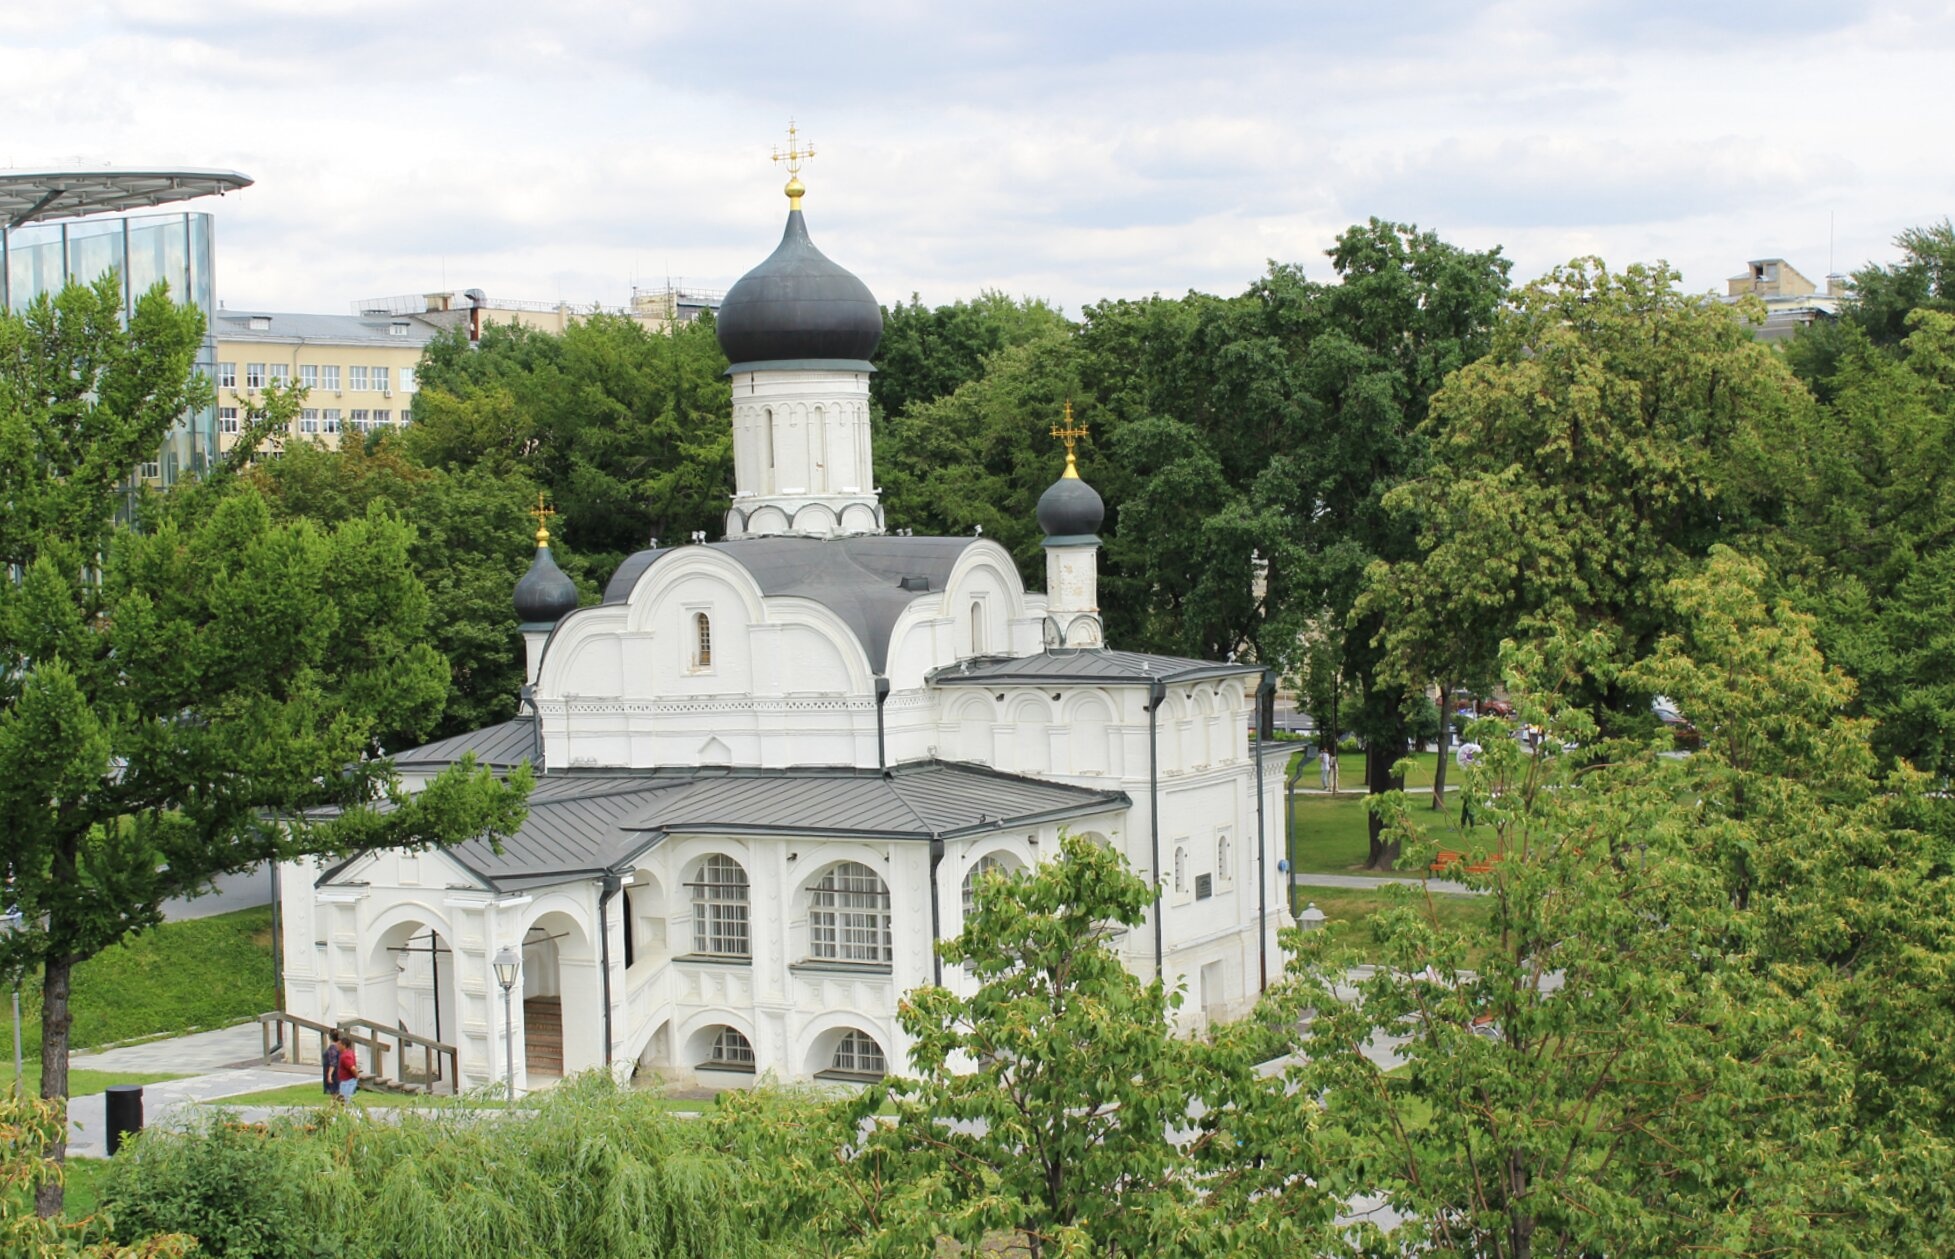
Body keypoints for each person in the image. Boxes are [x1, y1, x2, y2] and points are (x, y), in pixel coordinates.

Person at [336, 1035, 360, 1103]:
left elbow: (352, 1068)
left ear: (344, 1045)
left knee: (345, 1101)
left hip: (347, 1082)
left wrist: (357, 1076)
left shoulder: (345, 1056)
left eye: (339, 1044)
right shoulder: (349, 1052)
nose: (337, 1046)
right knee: (343, 1100)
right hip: (346, 1081)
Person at [323, 1028, 340, 1098]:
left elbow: (333, 1062)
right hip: (338, 1071)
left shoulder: (332, 1047)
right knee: (337, 1093)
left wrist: (329, 1074)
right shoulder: (339, 1045)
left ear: (329, 1036)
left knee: (334, 1093)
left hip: (334, 1073)